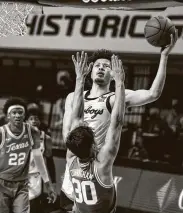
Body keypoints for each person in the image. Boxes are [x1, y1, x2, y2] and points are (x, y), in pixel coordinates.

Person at [61, 31, 178, 209]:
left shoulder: (116, 98)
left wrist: (164, 56)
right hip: (76, 166)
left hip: (99, 163)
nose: (101, 68)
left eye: (106, 66)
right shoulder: (73, 97)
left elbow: (153, 94)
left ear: (114, 72)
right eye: (97, 65)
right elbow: (67, 132)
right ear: (90, 70)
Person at [66, 53, 125, 213]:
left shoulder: (71, 159)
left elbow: (76, 116)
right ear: (93, 144)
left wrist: (80, 78)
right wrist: (119, 83)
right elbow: (117, 121)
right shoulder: (102, 165)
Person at [0, 97, 57, 213]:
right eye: (14, 113)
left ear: (24, 115)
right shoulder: (2, 132)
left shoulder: (34, 132)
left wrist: (48, 184)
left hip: (23, 184)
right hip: (3, 183)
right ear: (8, 116)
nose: (17, 115)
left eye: (20, 112)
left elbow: (39, 160)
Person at [27, 107, 56, 213]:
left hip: (35, 178)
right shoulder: (19, 136)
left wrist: (52, 183)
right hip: (19, 178)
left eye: (36, 118)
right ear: (26, 121)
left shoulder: (46, 138)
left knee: (33, 208)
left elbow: (49, 162)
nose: (34, 121)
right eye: (31, 119)